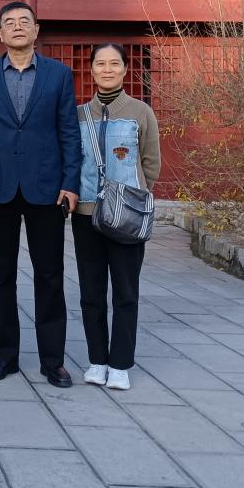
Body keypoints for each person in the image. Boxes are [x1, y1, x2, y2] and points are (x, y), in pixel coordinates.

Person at [0, 1, 82, 388]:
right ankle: (2, 357)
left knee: (49, 275)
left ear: (36, 30)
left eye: (24, 21)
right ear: (0, 34)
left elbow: (69, 131)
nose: (17, 27)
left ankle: (53, 361)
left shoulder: (58, 74)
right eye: (9, 23)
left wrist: (71, 183)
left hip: (47, 187)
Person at [73, 43, 161, 391]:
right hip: (87, 214)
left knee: (126, 291)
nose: (107, 69)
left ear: (125, 69)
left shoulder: (141, 112)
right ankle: (97, 360)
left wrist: (134, 196)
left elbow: (151, 162)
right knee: (91, 291)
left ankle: (121, 363)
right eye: (100, 64)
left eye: (114, 64)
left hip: (127, 216)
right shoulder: (79, 114)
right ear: (92, 69)